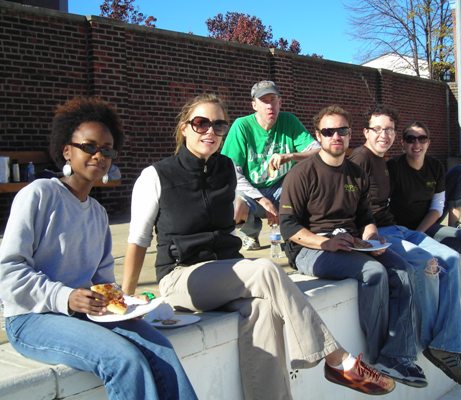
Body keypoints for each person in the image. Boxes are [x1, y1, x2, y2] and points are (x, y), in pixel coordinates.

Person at [122, 93, 396, 399]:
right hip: (181, 276)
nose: (210, 131)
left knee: (264, 311)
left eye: (218, 125)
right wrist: (125, 300)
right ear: (184, 128)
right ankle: (337, 359)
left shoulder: (226, 169)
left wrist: (239, 211)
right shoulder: (156, 175)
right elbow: (138, 241)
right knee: (265, 268)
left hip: (225, 273)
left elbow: (232, 209)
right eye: (201, 124)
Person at [0, 97, 196, 400]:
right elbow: (9, 271)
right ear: (67, 150)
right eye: (89, 146)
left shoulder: (96, 213)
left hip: (82, 315)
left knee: (161, 347)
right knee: (124, 360)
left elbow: (102, 282)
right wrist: (66, 297)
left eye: (106, 149)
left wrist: (123, 304)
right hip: (31, 317)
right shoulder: (39, 194)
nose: (99, 155)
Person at [279, 104, 426, 388]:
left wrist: (371, 240)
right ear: (318, 136)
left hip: (350, 244)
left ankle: (396, 355)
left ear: (349, 134)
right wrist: (326, 243)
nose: (336, 136)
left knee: (404, 270)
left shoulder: (356, 174)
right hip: (311, 250)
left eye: (342, 131)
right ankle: (374, 356)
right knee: (373, 272)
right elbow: (289, 228)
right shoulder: (301, 174)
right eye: (328, 131)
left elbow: (365, 218)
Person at [349, 105, 461, 387]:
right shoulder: (361, 159)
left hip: (398, 228)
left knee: (452, 259)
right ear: (366, 132)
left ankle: (447, 341)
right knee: (425, 264)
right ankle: (435, 342)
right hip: (379, 232)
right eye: (378, 129)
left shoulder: (383, 161)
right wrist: (364, 236)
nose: (384, 135)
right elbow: (348, 204)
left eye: (389, 129)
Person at [387, 121, 461, 323]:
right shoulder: (393, 168)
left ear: (428, 142)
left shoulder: (435, 167)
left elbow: (437, 207)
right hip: (401, 230)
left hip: (426, 224)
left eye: (422, 139)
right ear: (402, 143)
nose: (416, 144)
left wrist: (421, 233)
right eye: (410, 139)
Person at [221, 80, 320, 250]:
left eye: (273, 99)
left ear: (280, 102)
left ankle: (298, 232)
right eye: (264, 101)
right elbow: (231, 172)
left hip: (282, 189)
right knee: (234, 207)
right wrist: (262, 199)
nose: (269, 106)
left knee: (313, 183)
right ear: (254, 105)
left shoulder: (289, 121)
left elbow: (318, 152)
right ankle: (251, 234)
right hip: (252, 191)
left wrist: (291, 156)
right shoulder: (242, 126)